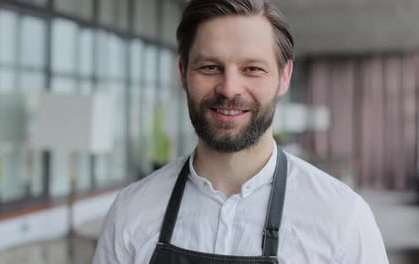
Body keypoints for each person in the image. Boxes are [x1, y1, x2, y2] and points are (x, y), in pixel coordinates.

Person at [92, 0, 388, 263]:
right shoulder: (131, 212)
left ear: (284, 77)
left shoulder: (343, 218)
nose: (229, 89)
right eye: (210, 67)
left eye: (252, 69)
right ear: (182, 73)